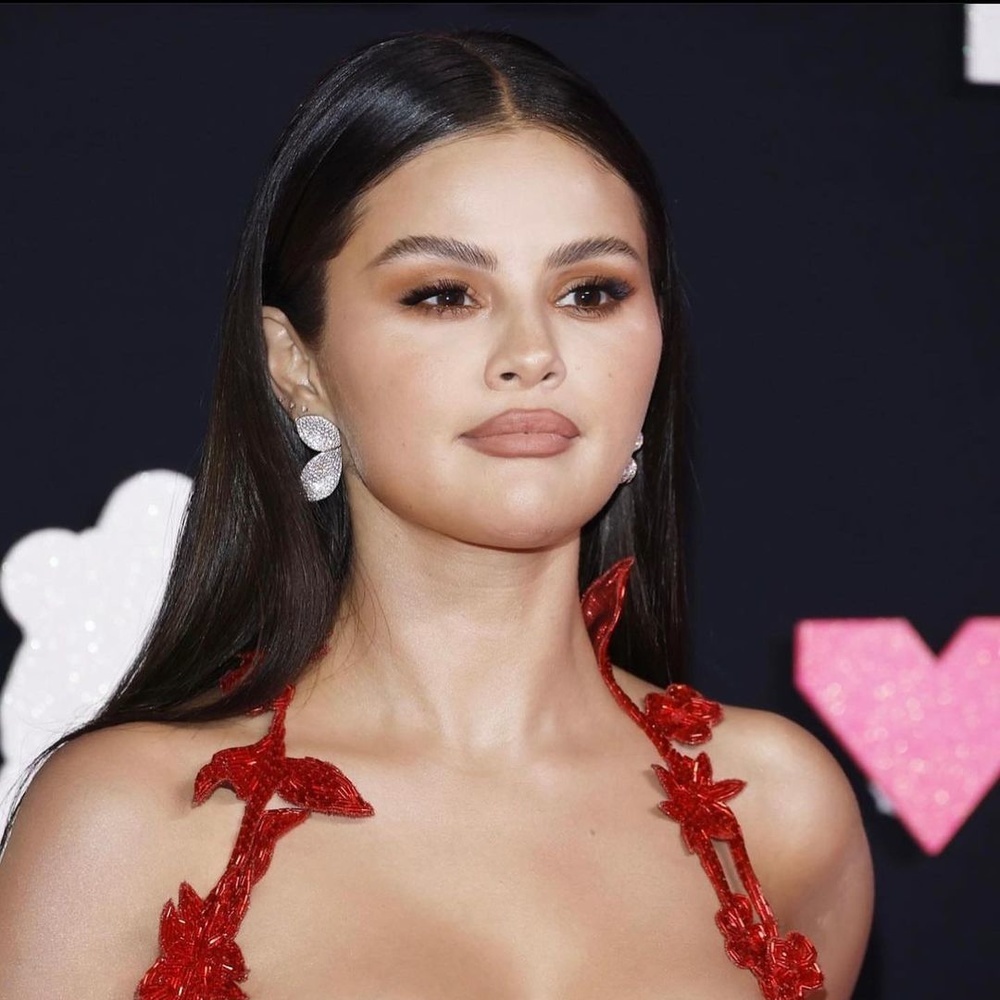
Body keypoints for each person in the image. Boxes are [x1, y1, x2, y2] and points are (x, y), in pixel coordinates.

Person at [0, 30, 872, 1000]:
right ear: (296, 364)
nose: (532, 353)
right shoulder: (127, 824)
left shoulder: (779, 810)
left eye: (591, 292)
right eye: (444, 295)